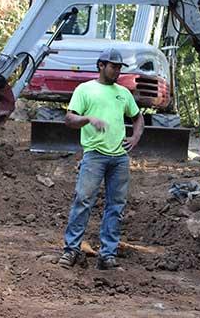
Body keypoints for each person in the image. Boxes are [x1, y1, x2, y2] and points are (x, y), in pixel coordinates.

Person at [58, 49, 144, 270]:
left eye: (119, 67)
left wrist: (135, 137)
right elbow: (69, 118)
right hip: (94, 156)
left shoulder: (123, 93)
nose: (117, 70)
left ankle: (108, 255)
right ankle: (71, 250)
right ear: (101, 65)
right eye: (113, 66)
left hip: (119, 158)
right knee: (83, 200)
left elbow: (137, 117)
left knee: (116, 205)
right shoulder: (85, 89)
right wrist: (87, 118)